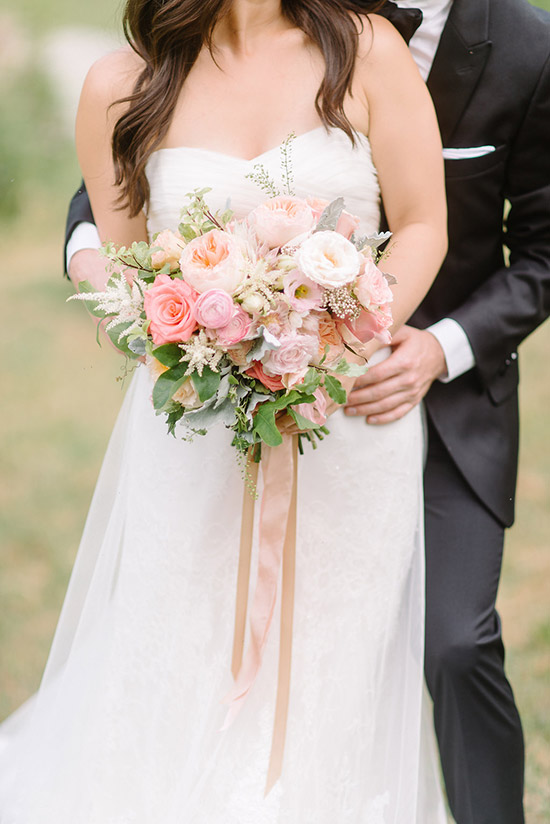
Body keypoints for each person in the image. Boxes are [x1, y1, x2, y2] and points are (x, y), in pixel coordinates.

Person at [0, 1, 449, 821]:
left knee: (329, 663)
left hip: (345, 424)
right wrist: (196, 339)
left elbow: (423, 225)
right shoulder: (119, 86)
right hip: (194, 431)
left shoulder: (368, 49)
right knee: (179, 650)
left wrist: (334, 356)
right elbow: (130, 272)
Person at [344, 2, 550, 824]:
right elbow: (162, 161)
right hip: (290, 408)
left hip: (453, 403)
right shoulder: (288, 17)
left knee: (457, 646)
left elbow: (543, 251)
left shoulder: (529, 46)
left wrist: (440, 350)